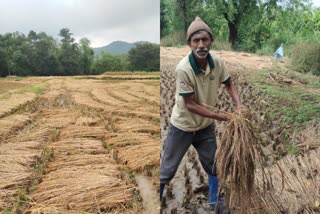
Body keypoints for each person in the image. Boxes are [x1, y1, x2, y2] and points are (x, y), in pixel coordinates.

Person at [160, 17, 245, 211]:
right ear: (189, 44)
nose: (201, 45)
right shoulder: (184, 69)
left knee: (214, 166)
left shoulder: (217, 61)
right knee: (167, 170)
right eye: (196, 41)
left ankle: (215, 202)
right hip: (182, 126)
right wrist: (224, 116)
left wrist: (239, 105)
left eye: (204, 40)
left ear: (211, 41)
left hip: (205, 127)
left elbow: (229, 83)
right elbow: (190, 105)